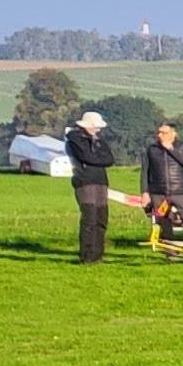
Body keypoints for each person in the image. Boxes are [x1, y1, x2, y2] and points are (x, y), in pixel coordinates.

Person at [62, 110, 118, 263]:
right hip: (85, 181)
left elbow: (109, 159)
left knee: (101, 219)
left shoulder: (99, 141)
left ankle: (98, 255)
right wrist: (98, 159)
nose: (98, 130)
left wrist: (96, 159)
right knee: (89, 219)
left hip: (101, 181)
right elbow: (86, 157)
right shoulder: (75, 141)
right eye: (95, 126)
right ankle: (87, 256)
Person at [139, 122, 183, 243]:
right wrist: (144, 192)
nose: (160, 135)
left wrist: (170, 149)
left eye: (164, 133)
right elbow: (145, 171)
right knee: (163, 221)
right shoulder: (152, 149)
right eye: (159, 132)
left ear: (173, 134)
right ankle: (169, 246)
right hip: (158, 192)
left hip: (179, 191)